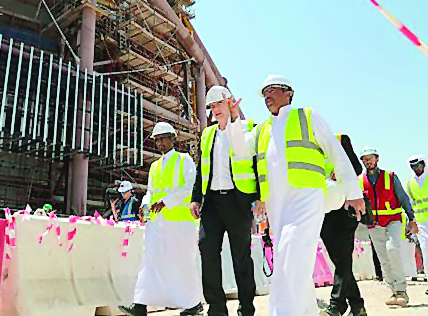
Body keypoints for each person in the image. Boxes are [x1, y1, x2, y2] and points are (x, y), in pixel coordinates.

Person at [227, 75, 365, 316]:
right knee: (285, 260)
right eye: (264, 93)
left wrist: (353, 193)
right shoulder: (262, 129)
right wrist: (232, 119)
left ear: (288, 93)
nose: (267, 96)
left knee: (292, 253)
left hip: (306, 197)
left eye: (272, 90)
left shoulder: (307, 116)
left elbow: (336, 153)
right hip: (277, 204)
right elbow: (238, 149)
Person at [119, 122, 203, 316]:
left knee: (183, 263)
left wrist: (166, 201)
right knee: (150, 261)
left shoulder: (185, 160)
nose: (160, 143)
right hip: (157, 223)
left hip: (180, 222)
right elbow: (150, 192)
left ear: (173, 139)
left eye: (163, 138)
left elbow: (190, 187)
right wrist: (144, 206)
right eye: (157, 140)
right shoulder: (155, 166)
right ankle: (140, 305)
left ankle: (193, 305)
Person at [189, 85, 257, 316]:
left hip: (237, 203)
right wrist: (195, 198)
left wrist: (257, 199)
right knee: (207, 251)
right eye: (211, 106)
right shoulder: (207, 134)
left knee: (241, 257)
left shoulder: (248, 128)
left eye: (219, 103)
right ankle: (216, 309)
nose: (215, 109)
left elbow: (256, 166)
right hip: (212, 205)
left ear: (229, 102)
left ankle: (246, 307)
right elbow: (201, 169)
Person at [359, 146, 418, 306]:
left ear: (377, 159)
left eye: (371, 158)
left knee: (392, 249)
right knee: (383, 259)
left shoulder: (390, 176)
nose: (368, 161)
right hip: (373, 225)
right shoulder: (360, 181)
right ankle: (393, 291)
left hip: (393, 220)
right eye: (365, 159)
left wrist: (411, 218)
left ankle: (401, 291)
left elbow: (403, 198)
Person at [321, 134, 368, 316]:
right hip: (323, 209)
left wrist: (338, 174)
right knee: (339, 260)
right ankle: (357, 305)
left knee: (342, 258)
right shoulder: (307, 147)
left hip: (344, 209)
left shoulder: (340, 139)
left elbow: (356, 167)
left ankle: (337, 305)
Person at [404, 155, 428, 295]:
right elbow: (410, 206)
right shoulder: (409, 184)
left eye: (418, 165)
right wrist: (410, 224)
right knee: (425, 250)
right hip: (421, 222)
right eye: (413, 166)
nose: (416, 168)